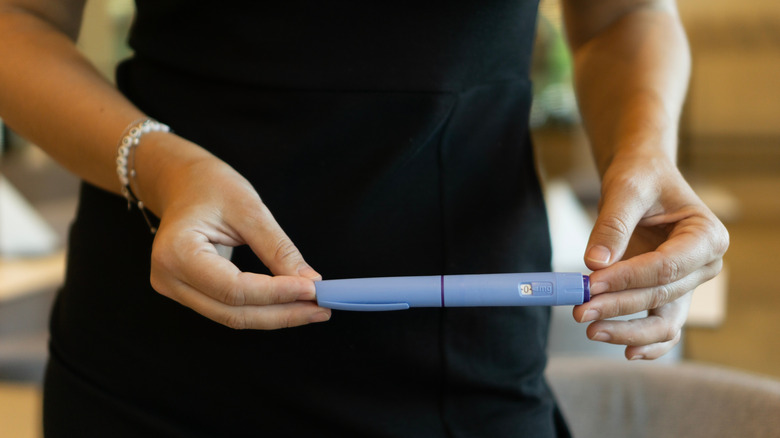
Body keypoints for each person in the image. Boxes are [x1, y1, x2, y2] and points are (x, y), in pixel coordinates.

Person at [0, 0, 728, 436]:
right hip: (162, 350)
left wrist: (645, 154)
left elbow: (622, 16)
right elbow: (18, 21)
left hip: (464, 356)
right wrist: (161, 168)